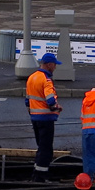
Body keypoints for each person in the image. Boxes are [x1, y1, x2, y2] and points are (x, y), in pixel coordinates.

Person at [26, 52, 61, 182]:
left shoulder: (32, 77)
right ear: (49, 64)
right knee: (46, 149)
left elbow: (27, 100)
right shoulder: (46, 80)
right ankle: (41, 176)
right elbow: (50, 101)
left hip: (35, 118)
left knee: (41, 147)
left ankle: (36, 173)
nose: (55, 67)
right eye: (54, 65)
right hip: (45, 118)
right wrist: (57, 107)